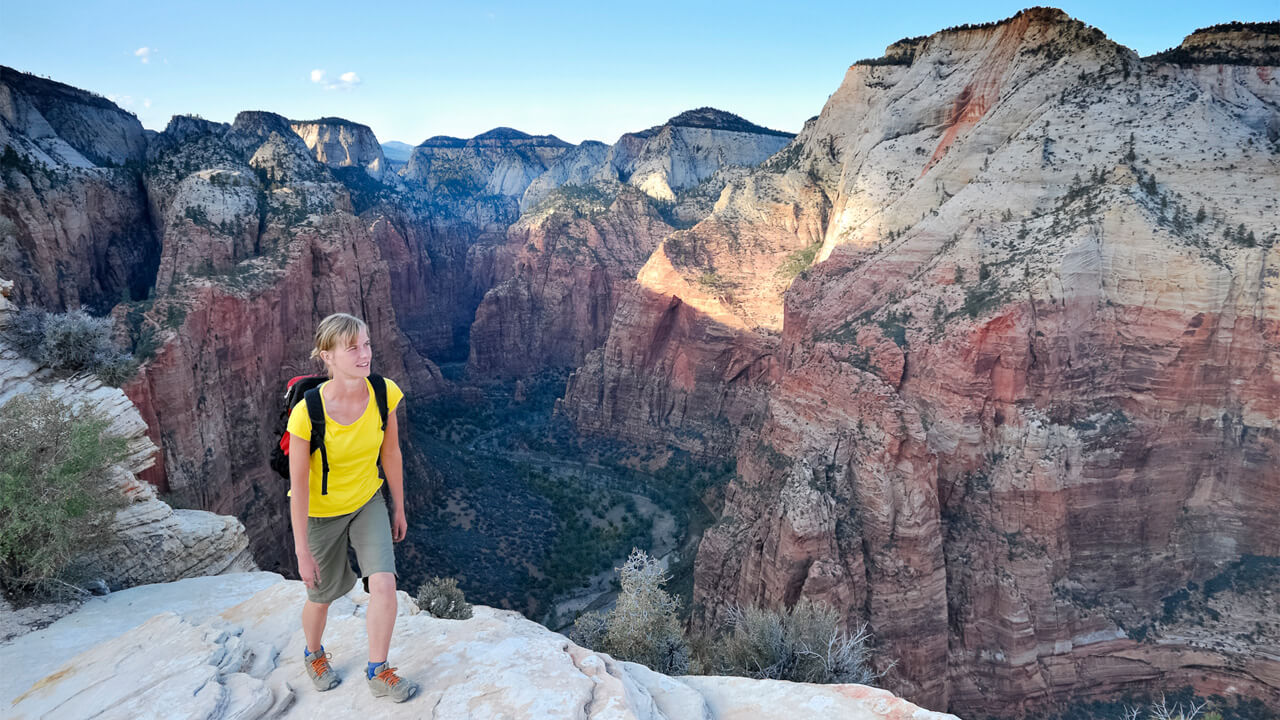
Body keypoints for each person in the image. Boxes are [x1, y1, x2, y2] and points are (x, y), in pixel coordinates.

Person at [287, 312, 418, 702]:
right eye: (353, 348)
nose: (365, 354)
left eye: (367, 344)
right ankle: (313, 654)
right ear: (327, 356)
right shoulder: (306, 413)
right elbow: (298, 487)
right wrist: (302, 551)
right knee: (321, 596)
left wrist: (398, 507)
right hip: (321, 514)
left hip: (366, 500)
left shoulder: (383, 392)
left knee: (384, 585)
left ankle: (378, 670)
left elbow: (391, 452)